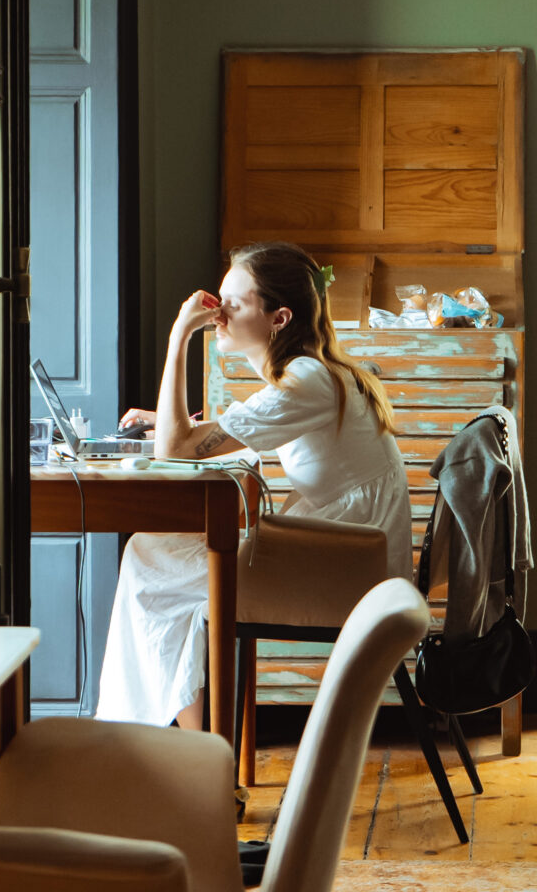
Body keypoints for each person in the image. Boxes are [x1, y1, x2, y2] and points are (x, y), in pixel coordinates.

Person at [95, 242, 411, 728]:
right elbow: (217, 435)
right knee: (166, 564)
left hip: (347, 565)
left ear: (279, 318)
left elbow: (173, 452)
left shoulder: (304, 380)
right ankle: (197, 750)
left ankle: (190, 751)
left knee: (148, 559)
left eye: (233, 304)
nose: (217, 314)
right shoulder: (311, 371)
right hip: (350, 548)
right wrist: (169, 423)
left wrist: (180, 334)